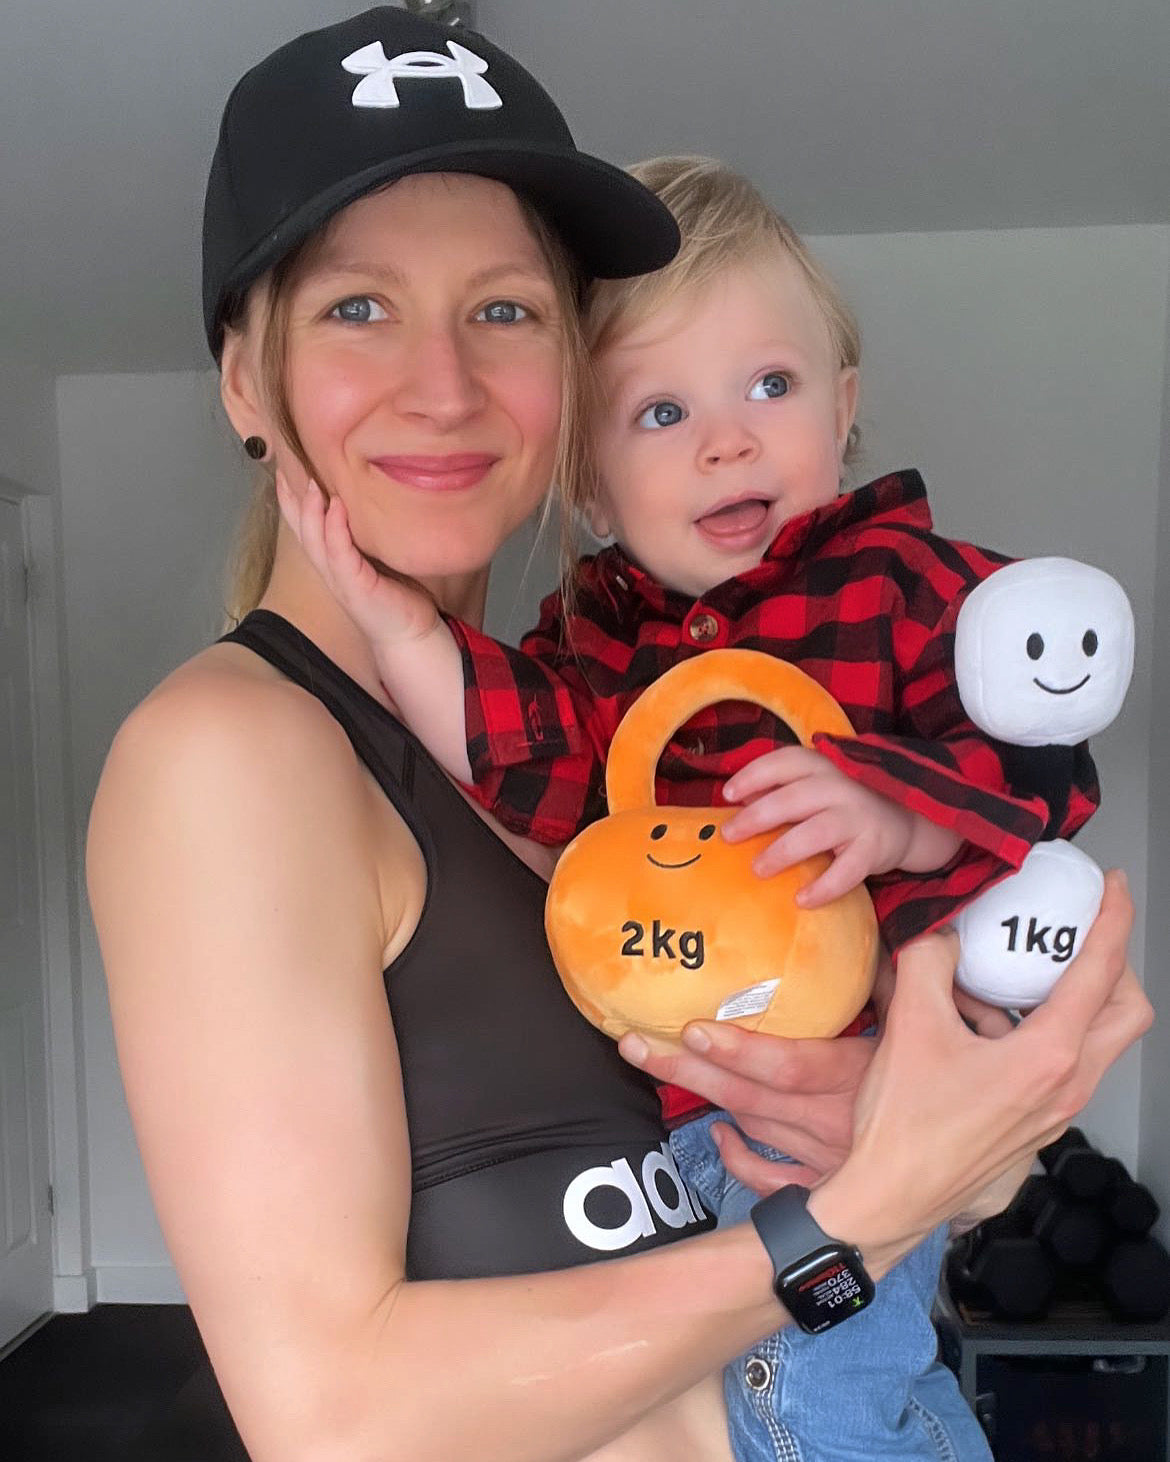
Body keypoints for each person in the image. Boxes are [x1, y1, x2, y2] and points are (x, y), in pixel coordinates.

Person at [86, 10, 1152, 1462]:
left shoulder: (592, 731)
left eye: (505, 310)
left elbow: (921, 1158)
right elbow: (333, 1416)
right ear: (240, 381)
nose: (446, 384)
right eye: (356, 307)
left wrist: (920, 1125)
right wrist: (853, 1214)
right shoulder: (232, 755)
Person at [280, 156, 1103, 1458]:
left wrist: (892, 815)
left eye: (768, 386)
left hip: (872, 1068)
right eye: (658, 412)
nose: (727, 436)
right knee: (806, 1371)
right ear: (589, 486)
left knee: (814, 1394)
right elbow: (527, 763)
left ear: (842, 406)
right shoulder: (599, 636)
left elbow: (1030, 765)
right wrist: (392, 627)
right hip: (696, 1118)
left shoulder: (899, 583)